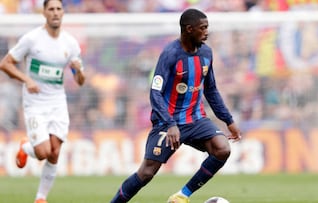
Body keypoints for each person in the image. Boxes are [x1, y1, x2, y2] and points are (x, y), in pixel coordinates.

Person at [110, 8, 241, 203]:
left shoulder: (206, 53)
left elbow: (211, 90)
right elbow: (155, 93)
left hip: (195, 119)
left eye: (207, 27)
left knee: (222, 149)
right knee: (147, 172)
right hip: (167, 123)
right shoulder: (170, 54)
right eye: (202, 28)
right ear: (189, 29)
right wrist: (170, 124)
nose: (207, 32)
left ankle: (181, 196)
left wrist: (228, 120)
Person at [0, 0, 85, 203]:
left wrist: (78, 70)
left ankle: (41, 198)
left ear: (63, 13)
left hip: (57, 103)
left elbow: (80, 81)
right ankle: (25, 148)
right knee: (43, 151)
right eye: (51, 9)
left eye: (58, 9)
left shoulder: (70, 44)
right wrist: (27, 79)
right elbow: (5, 64)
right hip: (35, 103)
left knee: (54, 153)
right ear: (44, 13)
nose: (55, 13)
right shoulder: (32, 39)